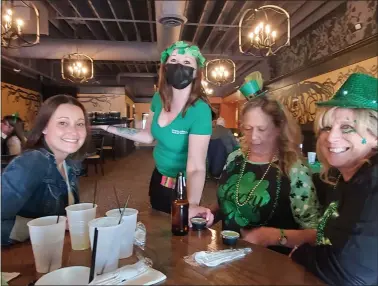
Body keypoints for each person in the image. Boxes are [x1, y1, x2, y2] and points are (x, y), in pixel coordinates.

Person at [95, 41, 213, 221]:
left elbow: (196, 167)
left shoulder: (200, 110)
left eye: (187, 62)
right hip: (159, 177)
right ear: (165, 68)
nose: (179, 66)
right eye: (173, 60)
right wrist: (109, 128)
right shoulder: (159, 98)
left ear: (196, 72)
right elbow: (148, 135)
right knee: (157, 224)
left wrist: (192, 204)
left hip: (184, 185)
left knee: (179, 236)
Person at [206, 72, 321, 254]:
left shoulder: (293, 168)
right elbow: (230, 202)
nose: (254, 137)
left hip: (272, 266)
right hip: (227, 255)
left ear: (278, 129)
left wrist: (272, 236)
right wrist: (210, 214)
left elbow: (315, 233)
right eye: (248, 129)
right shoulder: (235, 157)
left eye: (262, 129)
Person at [291, 73, 378, 284]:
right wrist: (276, 236)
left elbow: (352, 272)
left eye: (347, 127)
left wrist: (300, 254)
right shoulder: (341, 176)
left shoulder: (372, 182)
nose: (330, 138)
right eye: (327, 128)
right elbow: (332, 237)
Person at [1, 94, 90, 246]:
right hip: (23, 260)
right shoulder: (32, 162)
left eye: (80, 124)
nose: (74, 132)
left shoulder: (71, 163)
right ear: (44, 127)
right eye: (63, 123)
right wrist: (48, 227)